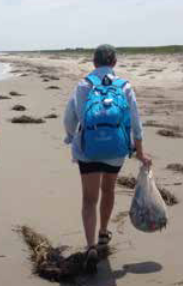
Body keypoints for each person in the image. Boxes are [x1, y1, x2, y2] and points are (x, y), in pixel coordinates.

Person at [63, 44, 152, 274]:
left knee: (89, 199)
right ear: (114, 63)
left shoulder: (83, 85)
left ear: (94, 62)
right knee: (108, 190)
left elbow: (69, 116)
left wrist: (72, 137)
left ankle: (91, 246)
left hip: (88, 149)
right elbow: (135, 122)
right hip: (116, 149)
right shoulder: (124, 86)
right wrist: (140, 152)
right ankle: (104, 232)